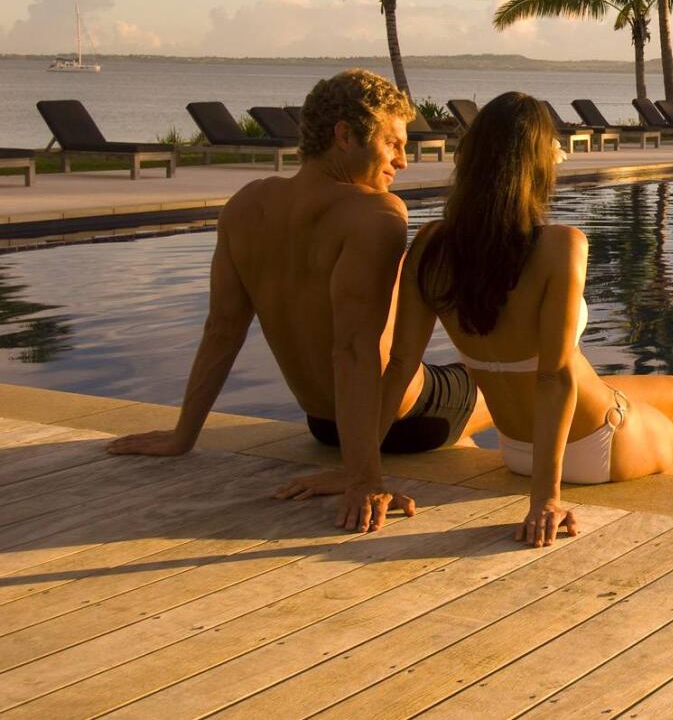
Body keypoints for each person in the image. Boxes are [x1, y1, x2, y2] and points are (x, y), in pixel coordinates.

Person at [107, 69, 493, 531]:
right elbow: (354, 350)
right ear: (345, 135)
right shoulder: (375, 214)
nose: (403, 161)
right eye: (393, 143)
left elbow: (222, 330)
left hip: (324, 426)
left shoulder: (247, 204)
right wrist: (364, 479)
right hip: (412, 419)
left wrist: (182, 436)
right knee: (550, 378)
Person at [384, 91, 673, 547]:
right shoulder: (560, 245)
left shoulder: (432, 246)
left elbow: (400, 366)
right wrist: (544, 500)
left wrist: (358, 473)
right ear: (537, 163)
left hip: (518, 449)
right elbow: (553, 377)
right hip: (596, 445)